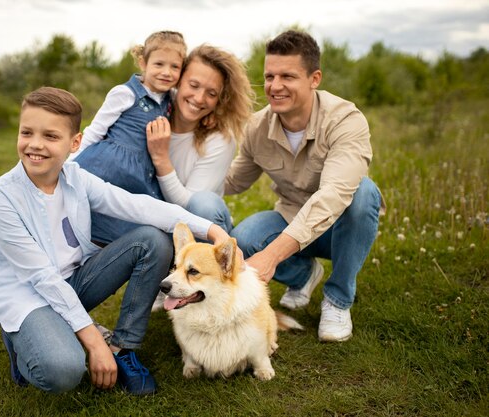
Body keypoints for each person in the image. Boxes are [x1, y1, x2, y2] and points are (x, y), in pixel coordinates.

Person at [0, 87, 231, 396]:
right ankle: (23, 343)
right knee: (63, 371)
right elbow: (41, 278)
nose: (35, 145)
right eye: (27, 132)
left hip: (76, 281)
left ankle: (123, 348)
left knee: (152, 241)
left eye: (50, 136)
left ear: (75, 143)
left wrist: (211, 229)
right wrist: (93, 341)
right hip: (29, 297)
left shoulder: (75, 177)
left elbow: (137, 206)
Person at [224, 30, 385, 343]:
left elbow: (333, 197)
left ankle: (338, 300)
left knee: (364, 193)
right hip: (292, 217)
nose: (275, 86)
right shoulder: (257, 126)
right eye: (270, 76)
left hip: (340, 227)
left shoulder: (345, 120)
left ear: (314, 79)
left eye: (288, 76)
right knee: (243, 238)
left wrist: (271, 256)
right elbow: (234, 180)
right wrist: (173, 168)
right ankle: (304, 275)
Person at [72, 31, 187, 244]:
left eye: (175, 67)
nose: (166, 72)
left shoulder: (170, 98)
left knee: (139, 217)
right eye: (159, 64)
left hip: (140, 172)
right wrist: (68, 163)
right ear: (143, 63)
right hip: (109, 166)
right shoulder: (125, 94)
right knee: (96, 209)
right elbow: (95, 131)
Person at [146, 44, 254, 234]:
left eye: (211, 94)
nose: (199, 98)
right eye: (193, 85)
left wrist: (161, 158)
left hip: (199, 230)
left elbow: (190, 207)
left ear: (220, 99)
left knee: (204, 203)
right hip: (151, 224)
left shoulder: (220, 140)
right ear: (179, 81)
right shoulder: (152, 109)